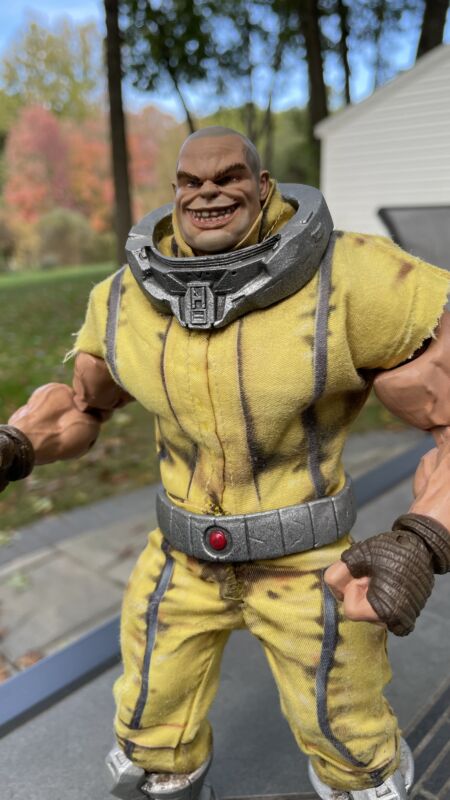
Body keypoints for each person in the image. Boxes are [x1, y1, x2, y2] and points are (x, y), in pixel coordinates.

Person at [1, 127, 449, 800]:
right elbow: (80, 406)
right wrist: (14, 444)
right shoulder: (123, 300)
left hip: (309, 563)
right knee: (151, 731)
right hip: (180, 561)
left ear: (263, 185)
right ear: (175, 191)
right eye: (191, 182)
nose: (208, 193)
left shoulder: (356, 281)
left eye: (228, 177)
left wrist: (422, 538)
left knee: (351, 738)